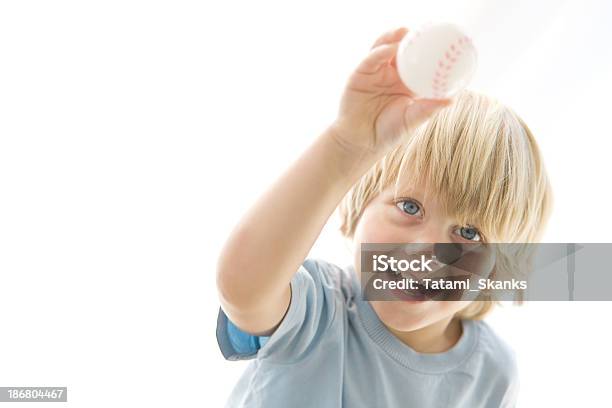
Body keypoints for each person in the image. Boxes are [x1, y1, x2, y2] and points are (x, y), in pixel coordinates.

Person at [215, 27, 553, 407]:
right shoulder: (318, 310)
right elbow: (243, 287)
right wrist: (345, 146)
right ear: (360, 207)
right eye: (410, 207)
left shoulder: (492, 374)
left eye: (469, 233)